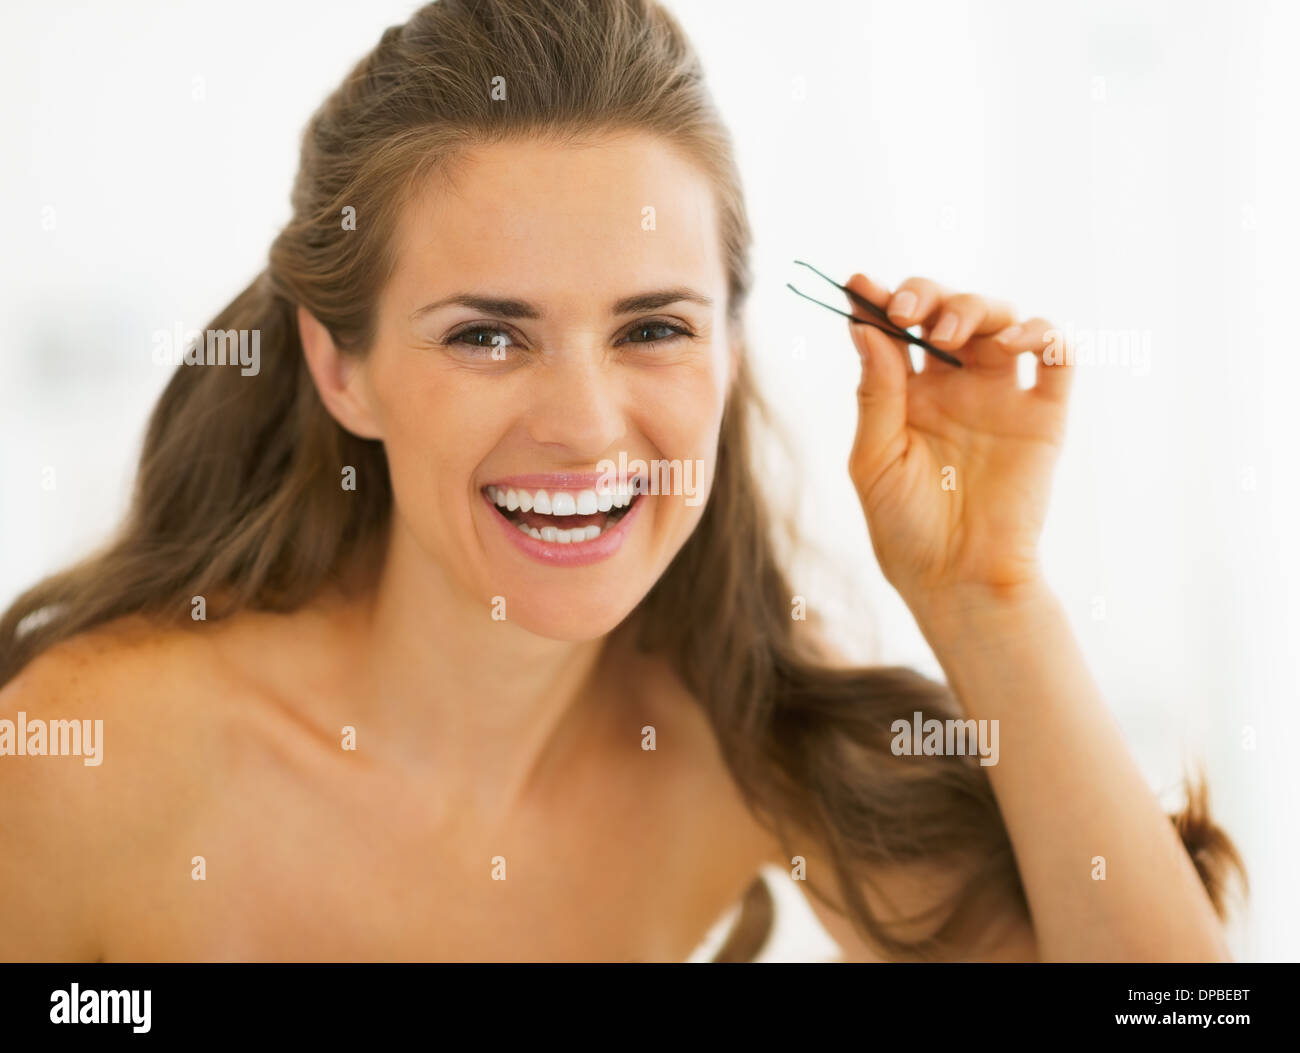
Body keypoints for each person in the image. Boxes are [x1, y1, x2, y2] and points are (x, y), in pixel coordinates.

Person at [0, 0, 1244, 962]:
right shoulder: (87, 759)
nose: (588, 432)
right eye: (487, 335)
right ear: (342, 369)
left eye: (651, 329)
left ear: (730, 352)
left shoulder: (731, 754)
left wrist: (991, 595)